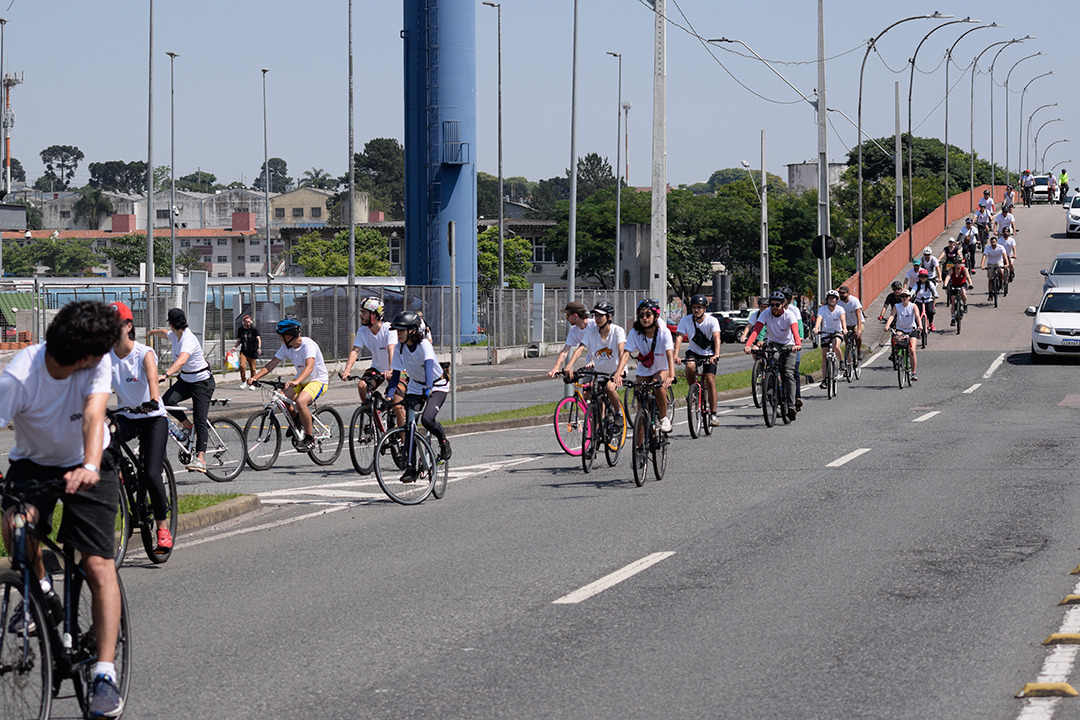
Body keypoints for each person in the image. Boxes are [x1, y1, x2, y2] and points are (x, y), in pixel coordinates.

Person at [0, 301, 126, 718]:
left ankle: (104, 674)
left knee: (97, 565)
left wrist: (89, 465)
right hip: (34, 463)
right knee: (15, 525)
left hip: (89, 462)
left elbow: (93, 416)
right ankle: (41, 588)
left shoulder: (95, 364)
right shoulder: (20, 375)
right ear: (82, 355)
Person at [108, 302, 171, 553]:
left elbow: (153, 379)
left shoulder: (144, 353)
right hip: (127, 416)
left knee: (152, 473)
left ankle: (162, 529)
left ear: (128, 326)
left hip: (152, 416)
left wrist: (153, 400)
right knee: (104, 435)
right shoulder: (106, 357)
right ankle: (126, 475)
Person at [246, 319, 329, 452]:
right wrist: (255, 377)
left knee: (301, 402)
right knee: (281, 399)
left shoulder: (308, 345)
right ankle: (296, 421)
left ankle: (309, 438)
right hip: (301, 380)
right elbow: (272, 364)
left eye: (281, 337)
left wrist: (296, 381)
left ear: (288, 337)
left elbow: (309, 367)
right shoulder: (287, 347)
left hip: (318, 380)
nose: (280, 339)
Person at [147, 308, 215, 473]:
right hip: (186, 380)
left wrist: (165, 375)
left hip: (202, 382)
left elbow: (182, 360)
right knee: (167, 401)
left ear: (171, 323)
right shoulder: (175, 335)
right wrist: (153, 332)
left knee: (200, 419)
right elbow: (165, 334)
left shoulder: (188, 339)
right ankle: (188, 427)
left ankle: (200, 459)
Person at [385, 310, 451, 466]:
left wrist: (428, 387)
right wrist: (389, 397)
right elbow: (395, 376)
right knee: (409, 425)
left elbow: (428, 367)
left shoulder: (424, 345)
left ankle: (443, 443)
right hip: (415, 386)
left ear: (412, 331)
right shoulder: (399, 348)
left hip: (437, 385)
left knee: (427, 420)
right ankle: (411, 467)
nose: (398, 334)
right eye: (397, 331)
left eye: (402, 331)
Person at [340, 297, 405, 428]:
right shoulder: (363, 331)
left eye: (364, 312)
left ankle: (403, 436)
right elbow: (355, 350)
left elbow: (391, 349)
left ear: (374, 315)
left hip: (397, 369)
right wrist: (347, 371)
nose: (360, 315)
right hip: (378, 368)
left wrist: (391, 370)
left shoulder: (389, 329)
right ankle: (374, 419)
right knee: (362, 385)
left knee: (397, 405)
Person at [618, 298, 675, 433]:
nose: (644, 318)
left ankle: (664, 418)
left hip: (662, 368)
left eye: (648, 315)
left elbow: (670, 354)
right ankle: (640, 440)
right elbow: (626, 353)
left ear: (656, 316)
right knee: (639, 393)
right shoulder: (635, 332)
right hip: (645, 369)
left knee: (657, 384)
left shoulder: (664, 332)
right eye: (641, 315)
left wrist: (672, 376)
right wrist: (617, 373)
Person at [743, 291, 801, 422]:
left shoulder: (789, 315)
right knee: (771, 365)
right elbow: (756, 330)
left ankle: (791, 405)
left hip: (789, 345)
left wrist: (797, 344)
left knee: (788, 373)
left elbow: (795, 332)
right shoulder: (766, 313)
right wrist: (748, 345)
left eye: (777, 305)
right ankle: (770, 388)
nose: (774, 307)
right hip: (773, 344)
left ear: (783, 304)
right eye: (772, 304)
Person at [566, 301, 627, 427]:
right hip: (600, 373)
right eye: (595, 315)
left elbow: (622, 352)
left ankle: (618, 413)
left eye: (600, 315)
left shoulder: (618, 331)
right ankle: (597, 431)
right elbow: (579, 350)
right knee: (595, 398)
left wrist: (619, 372)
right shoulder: (591, 332)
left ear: (609, 317)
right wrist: (569, 366)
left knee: (610, 388)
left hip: (616, 370)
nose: (597, 318)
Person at [673, 294, 721, 426]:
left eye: (699, 307)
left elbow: (717, 337)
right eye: (694, 307)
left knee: (710, 380)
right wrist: (676, 355)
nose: (696, 310)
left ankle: (713, 414)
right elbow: (679, 337)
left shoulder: (712, 321)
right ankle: (693, 390)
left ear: (705, 308)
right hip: (693, 351)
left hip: (709, 353)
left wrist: (716, 354)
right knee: (689, 365)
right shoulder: (685, 320)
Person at [548, 301, 595, 378]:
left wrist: (593, 360)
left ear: (575, 316)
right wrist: (556, 367)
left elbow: (601, 345)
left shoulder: (594, 325)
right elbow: (565, 351)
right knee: (586, 385)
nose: (566, 318)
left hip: (605, 361)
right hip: (589, 364)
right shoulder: (574, 331)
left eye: (567, 315)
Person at [884, 288, 923, 381]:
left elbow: (917, 316)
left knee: (912, 350)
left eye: (906, 296)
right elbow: (892, 316)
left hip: (911, 330)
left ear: (909, 297)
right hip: (900, 330)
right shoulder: (897, 306)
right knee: (896, 340)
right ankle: (898, 356)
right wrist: (887, 326)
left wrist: (920, 325)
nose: (904, 298)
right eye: (902, 296)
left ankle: (913, 373)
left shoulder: (913, 306)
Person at [814, 290, 847, 387]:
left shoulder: (840, 309)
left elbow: (843, 319)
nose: (831, 300)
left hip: (837, 332)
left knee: (835, 346)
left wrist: (844, 328)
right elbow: (819, 319)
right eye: (829, 298)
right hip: (826, 333)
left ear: (836, 300)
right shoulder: (823, 309)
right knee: (824, 355)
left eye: (833, 298)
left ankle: (841, 361)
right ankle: (824, 380)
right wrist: (816, 329)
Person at [836, 285, 865, 361]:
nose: (841, 295)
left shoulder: (854, 301)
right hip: (847, 324)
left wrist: (859, 329)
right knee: (847, 341)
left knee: (856, 334)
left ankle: (859, 349)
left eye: (843, 293)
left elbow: (858, 316)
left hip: (857, 322)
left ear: (848, 293)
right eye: (840, 293)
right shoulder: (839, 303)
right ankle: (848, 361)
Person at [231, 314, 261, 388]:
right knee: (242, 366)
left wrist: (259, 348)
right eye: (246, 322)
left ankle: (253, 383)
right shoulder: (241, 330)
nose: (248, 323)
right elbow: (239, 340)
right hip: (244, 351)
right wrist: (235, 347)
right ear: (243, 322)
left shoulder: (254, 329)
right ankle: (243, 381)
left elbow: (258, 338)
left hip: (252, 351)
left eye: (249, 322)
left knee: (253, 368)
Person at [979, 234, 1011, 298]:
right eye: (992, 242)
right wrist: (982, 265)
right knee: (990, 279)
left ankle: (1001, 281)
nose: (993, 243)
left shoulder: (1001, 247)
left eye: (994, 242)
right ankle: (990, 294)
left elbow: (1005, 256)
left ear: (996, 242)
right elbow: (984, 257)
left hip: (999, 262)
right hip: (990, 263)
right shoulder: (988, 248)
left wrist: (1007, 263)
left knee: (1001, 271)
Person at [944, 260, 971, 325]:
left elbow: (968, 277)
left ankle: (965, 304)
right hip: (954, 285)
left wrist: (970, 284)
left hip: (962, 284)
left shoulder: (964, 269)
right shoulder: (951, 270)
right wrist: (945, 285)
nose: (957, 264)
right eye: (955, 263)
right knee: (953, 301)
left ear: (961, 263)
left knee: (963, 293)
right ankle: (953, 318)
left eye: (958, 263)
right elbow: (948, 277)